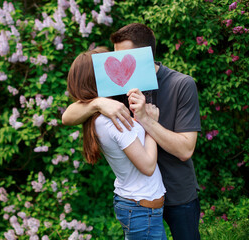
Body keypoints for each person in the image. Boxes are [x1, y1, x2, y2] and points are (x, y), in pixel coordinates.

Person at [62, 23, 201, 240]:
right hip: (139, 201)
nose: (115, 63)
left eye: (123, 56)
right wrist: (97, 104)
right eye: (114, 56)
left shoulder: (181, 84)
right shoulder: (118, 84)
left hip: (178, 194)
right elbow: (67, 116)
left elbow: (185, 150)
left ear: (145, 54)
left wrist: (147, 121)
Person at [67, 46, 167, 239]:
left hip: (141, 209)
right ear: (96, 79)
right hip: (140, 210)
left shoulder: (102, 114)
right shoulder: (110, 120)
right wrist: (152, 124)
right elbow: (147, 166)